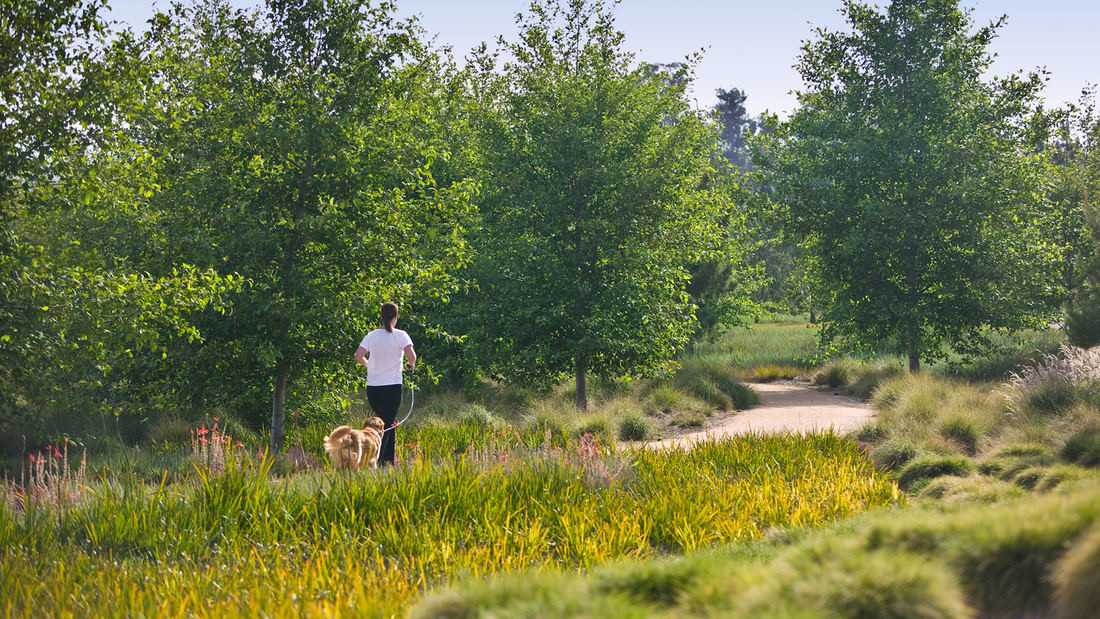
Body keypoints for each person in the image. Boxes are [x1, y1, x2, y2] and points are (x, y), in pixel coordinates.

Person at [354, 302, 415, 466]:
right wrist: (411, 366)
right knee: (387, 423)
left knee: (387, 421)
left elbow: (358, 355)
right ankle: (379, 460)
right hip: (392, 387)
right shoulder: (401, 335)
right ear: (396, 317)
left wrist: (369, 366)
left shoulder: (372, 335)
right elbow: (412, 357)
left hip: (373, 387)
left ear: (381, 317)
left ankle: (387, 461)